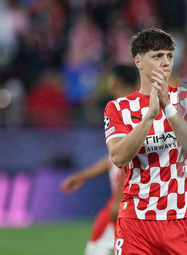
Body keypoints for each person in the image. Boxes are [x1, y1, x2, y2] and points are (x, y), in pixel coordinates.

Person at [104, 28, 187, 255]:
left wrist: (167, 108)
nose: (166, 62)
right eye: (157, 56)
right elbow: (119, 157)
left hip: (181, 219)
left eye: (169, 56)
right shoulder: (118, 108)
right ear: (138, 61)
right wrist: (149, 115)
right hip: (135, 223)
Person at [60, 65, 139, 255]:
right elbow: (115, 158)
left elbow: (131, 159)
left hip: (129, 201)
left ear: (114, 83)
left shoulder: (125, 110)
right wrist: (83, 175)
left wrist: (120, 199)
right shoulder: (134, 107)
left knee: (96, 249)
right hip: (135, 200)